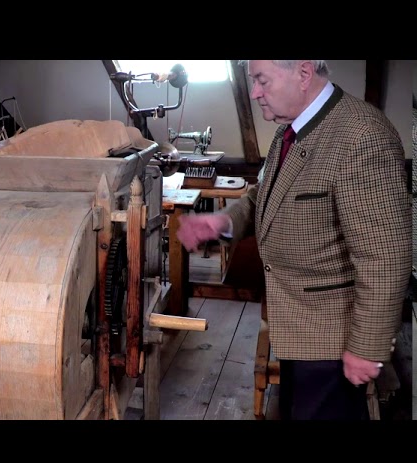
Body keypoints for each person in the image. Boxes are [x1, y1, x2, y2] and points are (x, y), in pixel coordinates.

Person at [176, 60, 411, 420]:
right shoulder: (292, 129)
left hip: (332, 341)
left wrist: (367, 347)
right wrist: (224, 220)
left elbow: (385, 256)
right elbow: (264, 195)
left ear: (303, 74)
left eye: (262, 80)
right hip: (296, 326)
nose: (255, 92)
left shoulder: (362, 137)